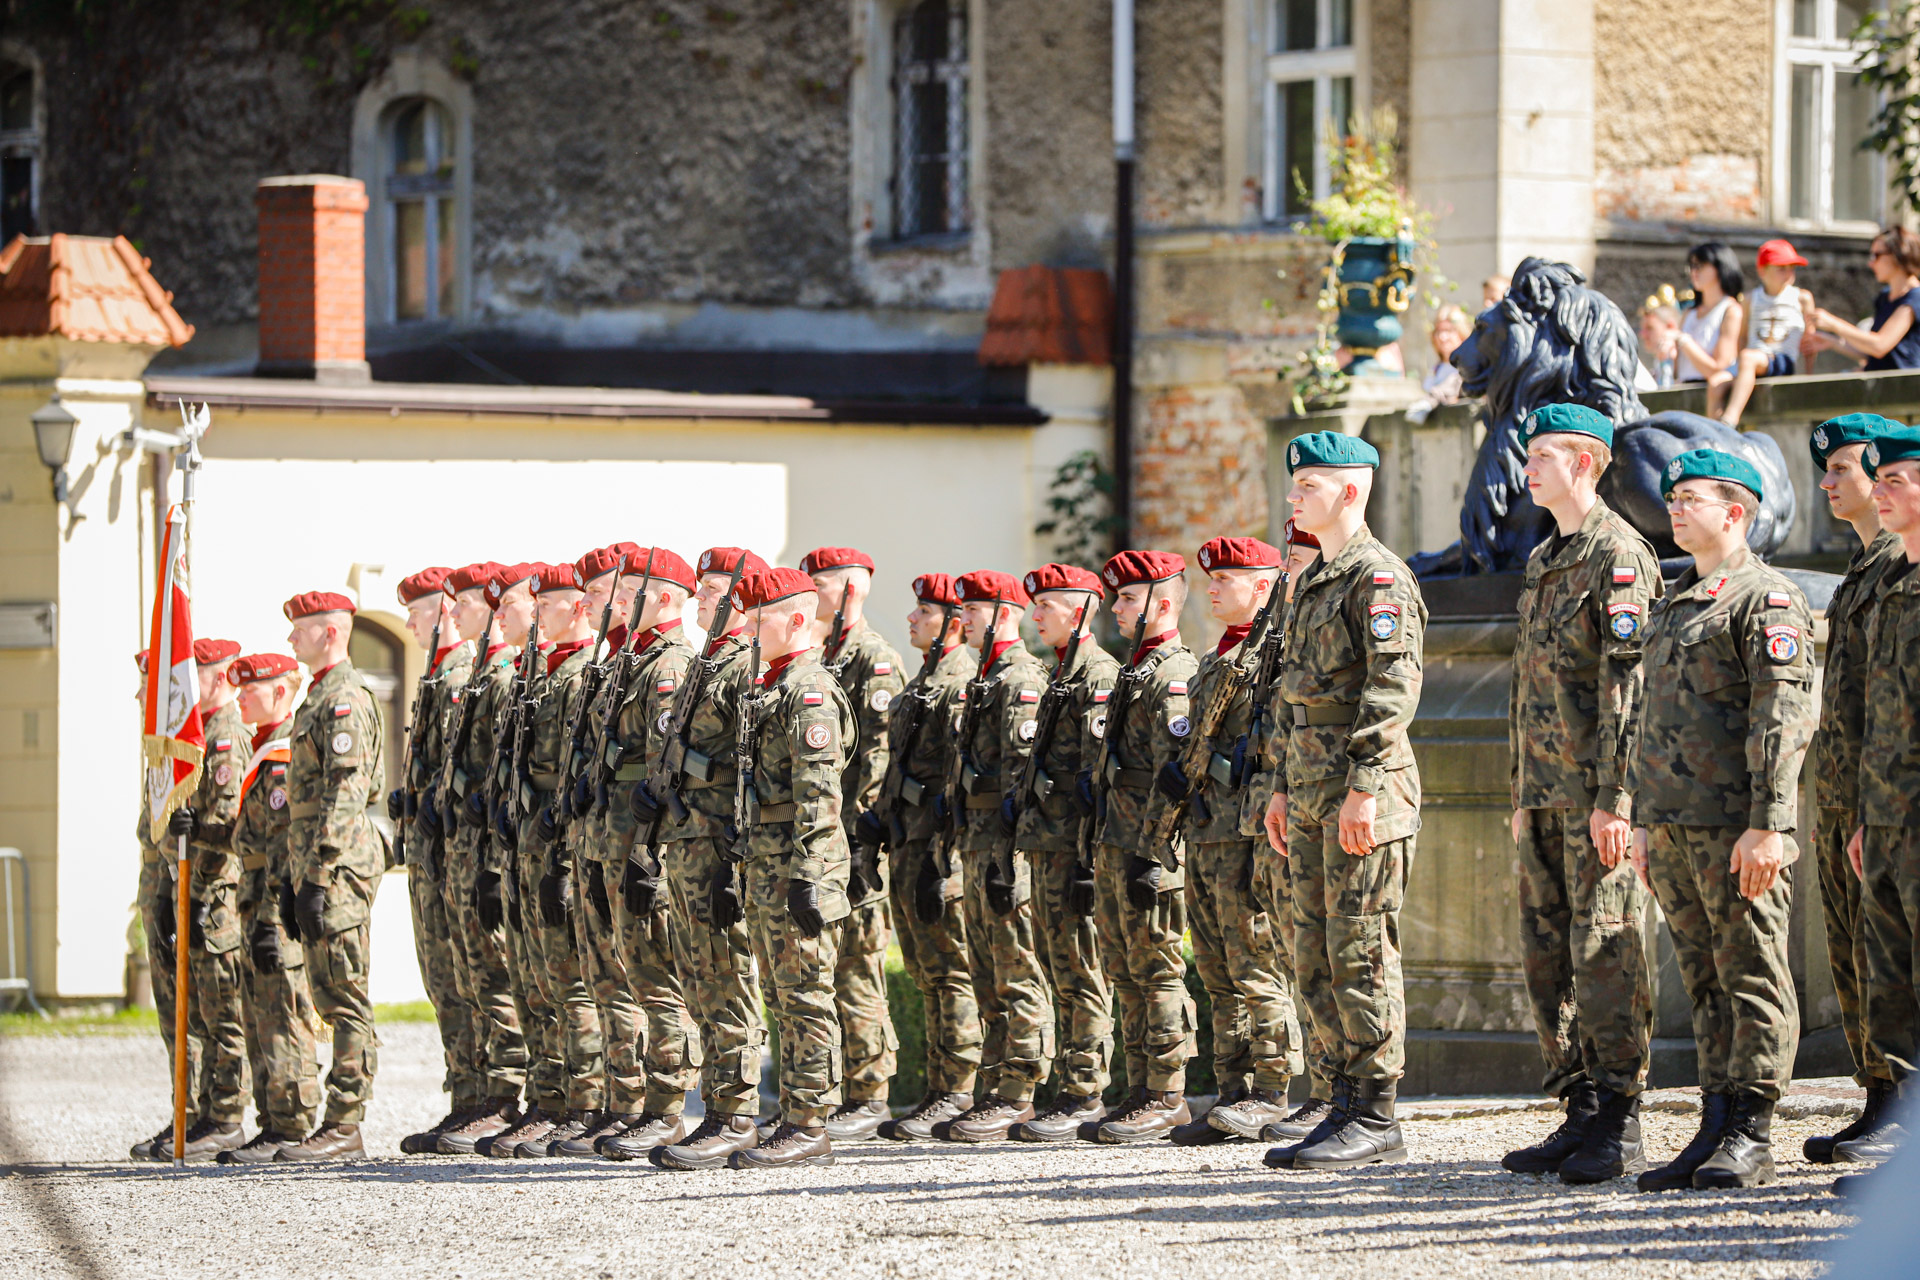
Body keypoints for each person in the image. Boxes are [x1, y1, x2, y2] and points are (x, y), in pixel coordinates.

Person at [1629, 449, 1814, 1192]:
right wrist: (1644, 820)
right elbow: (1649, 721)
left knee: (1753, 974)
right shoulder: (1675, 601)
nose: (1675, 508)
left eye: (1691, 499)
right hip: (1675, 826)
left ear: (1734, 512)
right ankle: (1715, 1117)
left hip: (1735, 824)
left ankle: (1753, 1129)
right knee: (1703, 979)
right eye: (1672, 498)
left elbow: (1783, 718)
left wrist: (1771, 823)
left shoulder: (1763, 601)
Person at [1499, 404, 1659, 1185]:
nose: (1528, 468)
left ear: (1586, 465)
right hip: (1545, 793)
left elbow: (1627, 688)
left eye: (1544, 456)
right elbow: (1530, 688)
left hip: (1596, 799)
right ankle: (1581, 1108)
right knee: (1547, 957)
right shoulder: (1544, 559)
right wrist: (1524, 792)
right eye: (1529, 456)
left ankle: (1623, 1120)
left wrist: (1617, 798)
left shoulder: (1618, 557)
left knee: (1604, 951)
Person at [1261, 431, 1426, 1171]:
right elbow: (1291, 698)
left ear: (1350, 492)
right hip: (1307, 791)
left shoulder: (1377, 578)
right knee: (1314, 951)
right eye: (1294, 486)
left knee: (1359, 948)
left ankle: (1378, 1110)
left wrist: (1363, 787)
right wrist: (1277, 787)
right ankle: (1340, 1098)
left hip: (1365, 794)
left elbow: (1391, 693)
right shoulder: (1314, 579)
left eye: (1309, 486)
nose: (1294, 497)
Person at [559, 544, 700, 1159]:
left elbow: (665, 762)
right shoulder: (624, 662)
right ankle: (624, 1103)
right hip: (601, 836)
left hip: (639, 843)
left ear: (663, 597)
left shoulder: (668, 665)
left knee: (651, 974)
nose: (612, 601)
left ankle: (667, 1108)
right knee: (607, 971)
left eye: (626, 591)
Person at [647, 547, 775, 1171]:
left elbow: (746, 770)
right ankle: (717, 1109)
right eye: (698, 588)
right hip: (686, 842)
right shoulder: (706, 665)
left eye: (715, 589)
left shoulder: (744, 669)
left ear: (743, 601)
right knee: (701, 980)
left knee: (728, 978)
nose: (701, 597)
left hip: (719, 847)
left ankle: (738, 1112)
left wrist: (732, 859)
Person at [727, 564, 859, 1169]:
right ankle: (792, 1111)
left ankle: (811, 1122)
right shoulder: (771, 685)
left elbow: (818, 793)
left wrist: (809, 874)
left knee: (806, 992)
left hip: (799, 866)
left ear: (797, 620)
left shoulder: (810, 691)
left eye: (761, 618)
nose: (749, 628)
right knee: (782, 996)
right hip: (765, 862)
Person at [1176, 537, 1306, 1146]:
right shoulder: (1214, 658)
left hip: (1247, 831)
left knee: (1255, 961)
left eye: (1225, 579)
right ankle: (1231, 1090)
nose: (1211, 589)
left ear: (1262, 587)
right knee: (1216, 968)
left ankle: (1273, 1091)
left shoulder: (1273, 655)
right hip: (1206, 829)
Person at [1802, 416, 1907, 1168]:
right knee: (1853, 956)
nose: (1830, 482)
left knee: (1888, 958)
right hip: (1849, 794)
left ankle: (1897, 1098)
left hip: (1887, 800)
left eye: (1843, 468)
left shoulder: (1900, 564)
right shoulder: (1865, 566)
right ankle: (1879, 1094)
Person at [938, 569, 1057, 1143]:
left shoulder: (1019, 679)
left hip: (1005, 844)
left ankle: (1020, 1092)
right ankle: (993, 1087)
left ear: (1003, 614)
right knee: (985, 970)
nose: (963, 620)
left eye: (976, 611)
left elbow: (1021, 773)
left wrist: (1010, 858)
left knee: (1016, 967)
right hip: (977, 838)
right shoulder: (983, 678)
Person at [1086, 549, 1200, 1144]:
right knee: (1123, 969)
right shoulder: (1136, 669)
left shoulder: (1173, 673)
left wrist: (1153, 852)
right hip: (1116, 838)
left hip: (1146, 844)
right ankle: (1137, 1088)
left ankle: (1168, 1092)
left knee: (1156, 967)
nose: (1117, 606)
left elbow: (1173, 771)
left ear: (1163, 601)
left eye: (1129, 597)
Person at [870, 573, 986, 1142]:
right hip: (910, 841)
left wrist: (943, 862)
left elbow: (956, 783)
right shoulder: (923, 682)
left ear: (955, 623)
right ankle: (940, 1087)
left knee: (952, 970)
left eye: (924, 612)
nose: (912, 619)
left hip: (941, 851)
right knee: (925, 970)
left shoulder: (961, 682)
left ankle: (960, 1088)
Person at [1009, 564, 1121, 1143]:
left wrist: (1085, 860)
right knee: (1060, 967)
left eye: (1048, 605)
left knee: (1082, 969)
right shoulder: (1060, 676)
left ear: (1081, 610)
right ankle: (1071, 1084)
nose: (1036, 615)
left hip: (1073, 847)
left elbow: (1095, 779)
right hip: (1046, 843)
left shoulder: (1098, 677)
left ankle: (1086, 1090)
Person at [802, 546, 907, 1142]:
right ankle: (838, 1088)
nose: (810, 594)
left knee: (859, 966)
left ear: (851, 589)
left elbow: (876, 755)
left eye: (821, 584)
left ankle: (870, 1092)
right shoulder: (825, 655)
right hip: (825, 840)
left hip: (854, 840)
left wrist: (863, 834)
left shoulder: (874, 658)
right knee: (826, 967)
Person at [279, 591, 386, 1161]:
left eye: (299, 628)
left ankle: (346, 1122)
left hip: (339, 866)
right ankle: (337, 1121)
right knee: (326, 990)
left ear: (329, 632)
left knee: (344, 996)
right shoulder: (317, 695)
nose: (290, 639)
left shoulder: (344, 697)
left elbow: (346, 793)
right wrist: (292, 875)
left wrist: (318, 873)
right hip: (315, 863)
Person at [506, 562, 608, 1158]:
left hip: (562, 844)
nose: (536, 612)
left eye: (549, 603)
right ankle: (551, 1098)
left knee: (572, 981)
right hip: (528, 840)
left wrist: (564, 858)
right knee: (538, 979)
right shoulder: (540, 672)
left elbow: (576, 773)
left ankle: (585, 1100)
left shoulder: (578, 674)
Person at [432, 563, 530, 1154]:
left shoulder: (498, 676)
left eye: (466, 604)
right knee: (465, 979)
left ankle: (503, 1097)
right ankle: (472, 1095)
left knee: (496, 978)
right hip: (464, 849)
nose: (457, 615)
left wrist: (491, 858)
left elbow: (503, 773)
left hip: (491, 850)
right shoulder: (473, 674)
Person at [389, 566, 482, 1155]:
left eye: (418, 611)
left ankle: (489, 1098)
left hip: (458, 854)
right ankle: (466, 1096)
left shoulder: (464, 672)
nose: (410, 623)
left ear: (445, 611)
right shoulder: (434, 675)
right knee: (444, 980)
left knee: (473, 979)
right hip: (431, 855)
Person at [1847, 424, 1920, 1172]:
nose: (1882, 490)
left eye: (1896, 478)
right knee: (1893, 991)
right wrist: (1868, 815)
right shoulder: (1894, 584)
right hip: (1889, 817)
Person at [216, 652, 322, 1164]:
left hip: (273, 903)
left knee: (284, 1011)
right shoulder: (263, 750)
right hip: (254, 898)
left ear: (281, 692)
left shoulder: (281, 757)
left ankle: (294, 1121)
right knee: (260, 1013)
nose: (240, 699)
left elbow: (282, 845)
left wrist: (270, 915)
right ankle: (272, 1120)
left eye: (250, 690)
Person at [150, 637, 251, 1162]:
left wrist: (198, 843)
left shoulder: (225, 735)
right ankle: (201, 1112)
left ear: (219, 677)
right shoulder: (192, 735)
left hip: (217, 892)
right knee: (198, 1015)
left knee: (223, 1011)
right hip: (190, 888)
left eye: (198, 675)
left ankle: (226, 1116)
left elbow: (228, 823)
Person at [1714, 240, 1814, 426]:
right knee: (1716, 382)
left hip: (1781, 360)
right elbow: (1742, 336)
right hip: (1751, 361)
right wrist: (1738, 367)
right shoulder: (1751, 299)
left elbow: (1810, 342)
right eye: (1781, 268)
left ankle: (1729, 420)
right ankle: (1713, 431)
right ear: (1762, 271)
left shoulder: (1801, 298)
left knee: (1748, 357)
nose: (1789, 274)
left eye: (1791, 268)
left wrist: (1808, 376)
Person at [1807, 226, 1920, 371]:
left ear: (1897, 255)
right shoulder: (1885, 297)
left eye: (1876, 255)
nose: (1871, 263)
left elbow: (1880, 345)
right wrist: (1832, 342)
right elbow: (1871, 352)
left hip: (1903, 390)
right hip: (1883, 387)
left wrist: (1834, 324)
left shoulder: (1915, 298)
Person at [1674, 242, 1744, 389]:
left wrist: (1684, 341)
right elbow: (1677, 369)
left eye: (1700, 265)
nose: (1694, 271)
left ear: (1720, 267)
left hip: (1712, 392)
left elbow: (1719, 368)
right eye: (1692, 266)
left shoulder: (1731, 310)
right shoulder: (1689, 313)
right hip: (1683, 390)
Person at [1638, 296, 1682, 389]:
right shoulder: (1660, 358)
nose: (1643, 335)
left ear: (1670, 326)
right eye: (1643, 329)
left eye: (1649, 328)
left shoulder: (1679, 355)